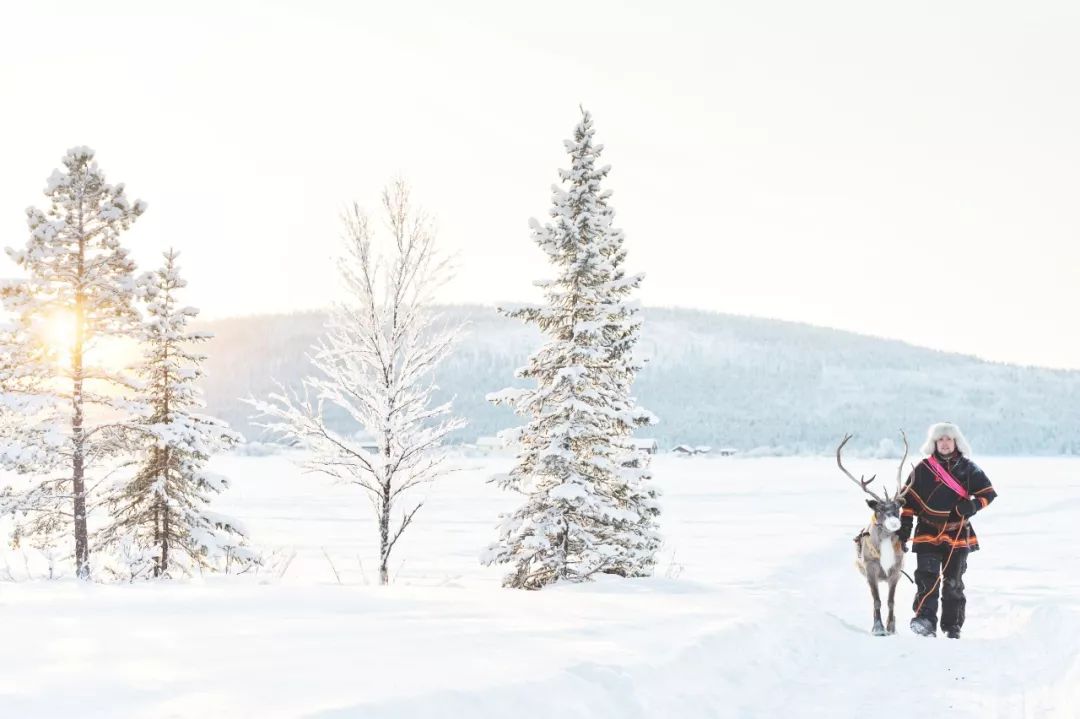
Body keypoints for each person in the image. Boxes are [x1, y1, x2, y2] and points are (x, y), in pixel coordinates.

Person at [897, 422, 997, 639]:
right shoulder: (922, 469)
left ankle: (952, 627)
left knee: (953, 583)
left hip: (958, 532)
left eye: (948, 439)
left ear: (956, 442)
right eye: (940, 439)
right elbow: (906, 502)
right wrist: (905, 529)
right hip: (926, 532)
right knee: (927, 579)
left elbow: (988, 494)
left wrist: (972, 506)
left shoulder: (969, 468)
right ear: (934, 443)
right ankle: (925, 622)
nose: (944, 443)